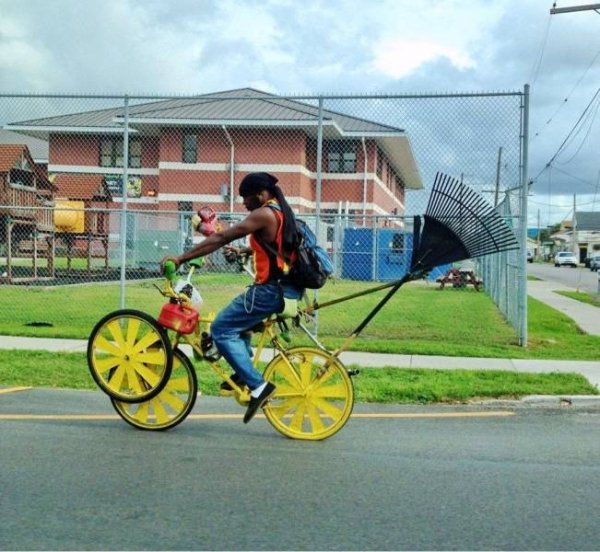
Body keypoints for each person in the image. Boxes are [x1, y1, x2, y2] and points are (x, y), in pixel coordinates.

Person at [161, 172, 303, 424]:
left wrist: (181, 258)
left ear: (260, 195)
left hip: (269, 291)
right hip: (285, 288)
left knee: (221, 329)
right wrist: (246, 250)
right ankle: (242, 372)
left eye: (246, 199)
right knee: (238, 321)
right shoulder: (280, 211)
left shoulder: (262, 214)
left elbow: (222, 236)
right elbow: (278, 247)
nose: (244, 205)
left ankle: (259, 387)